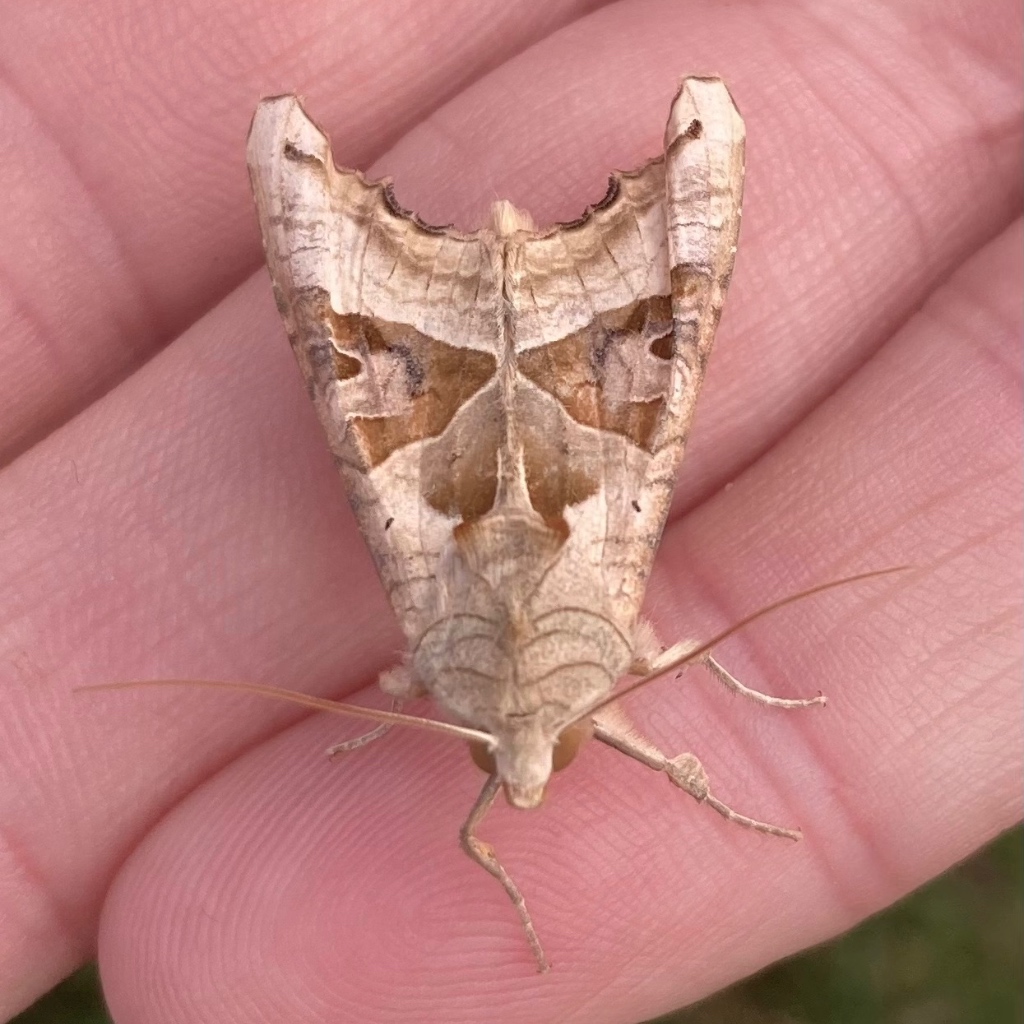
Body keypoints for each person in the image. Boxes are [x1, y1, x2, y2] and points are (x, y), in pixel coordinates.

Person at [0, 0, 1019, 1021]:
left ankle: (334, 215)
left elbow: (628, 672)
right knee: (607, 369)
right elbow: (557, 682)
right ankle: (418, 214)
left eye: (499, 755)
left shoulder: (523, 655)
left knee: (416, 390)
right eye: (531, 754)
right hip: (540, 432)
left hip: (512, 445)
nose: (525, 770)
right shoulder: (463, 659)